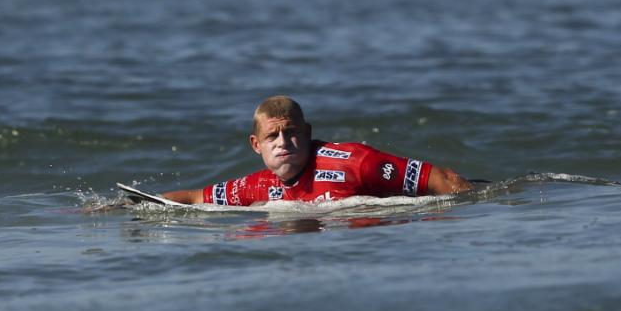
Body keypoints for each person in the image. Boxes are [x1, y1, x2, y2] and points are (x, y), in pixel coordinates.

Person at [160, 96, 472, 205]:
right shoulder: (259, 186)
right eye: (272, 136)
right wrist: (127, 206)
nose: (282, 142)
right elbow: (195, 198)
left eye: (291, 132)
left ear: (308, 134)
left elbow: (443, 179)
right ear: (257, 145)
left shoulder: (355, 163)